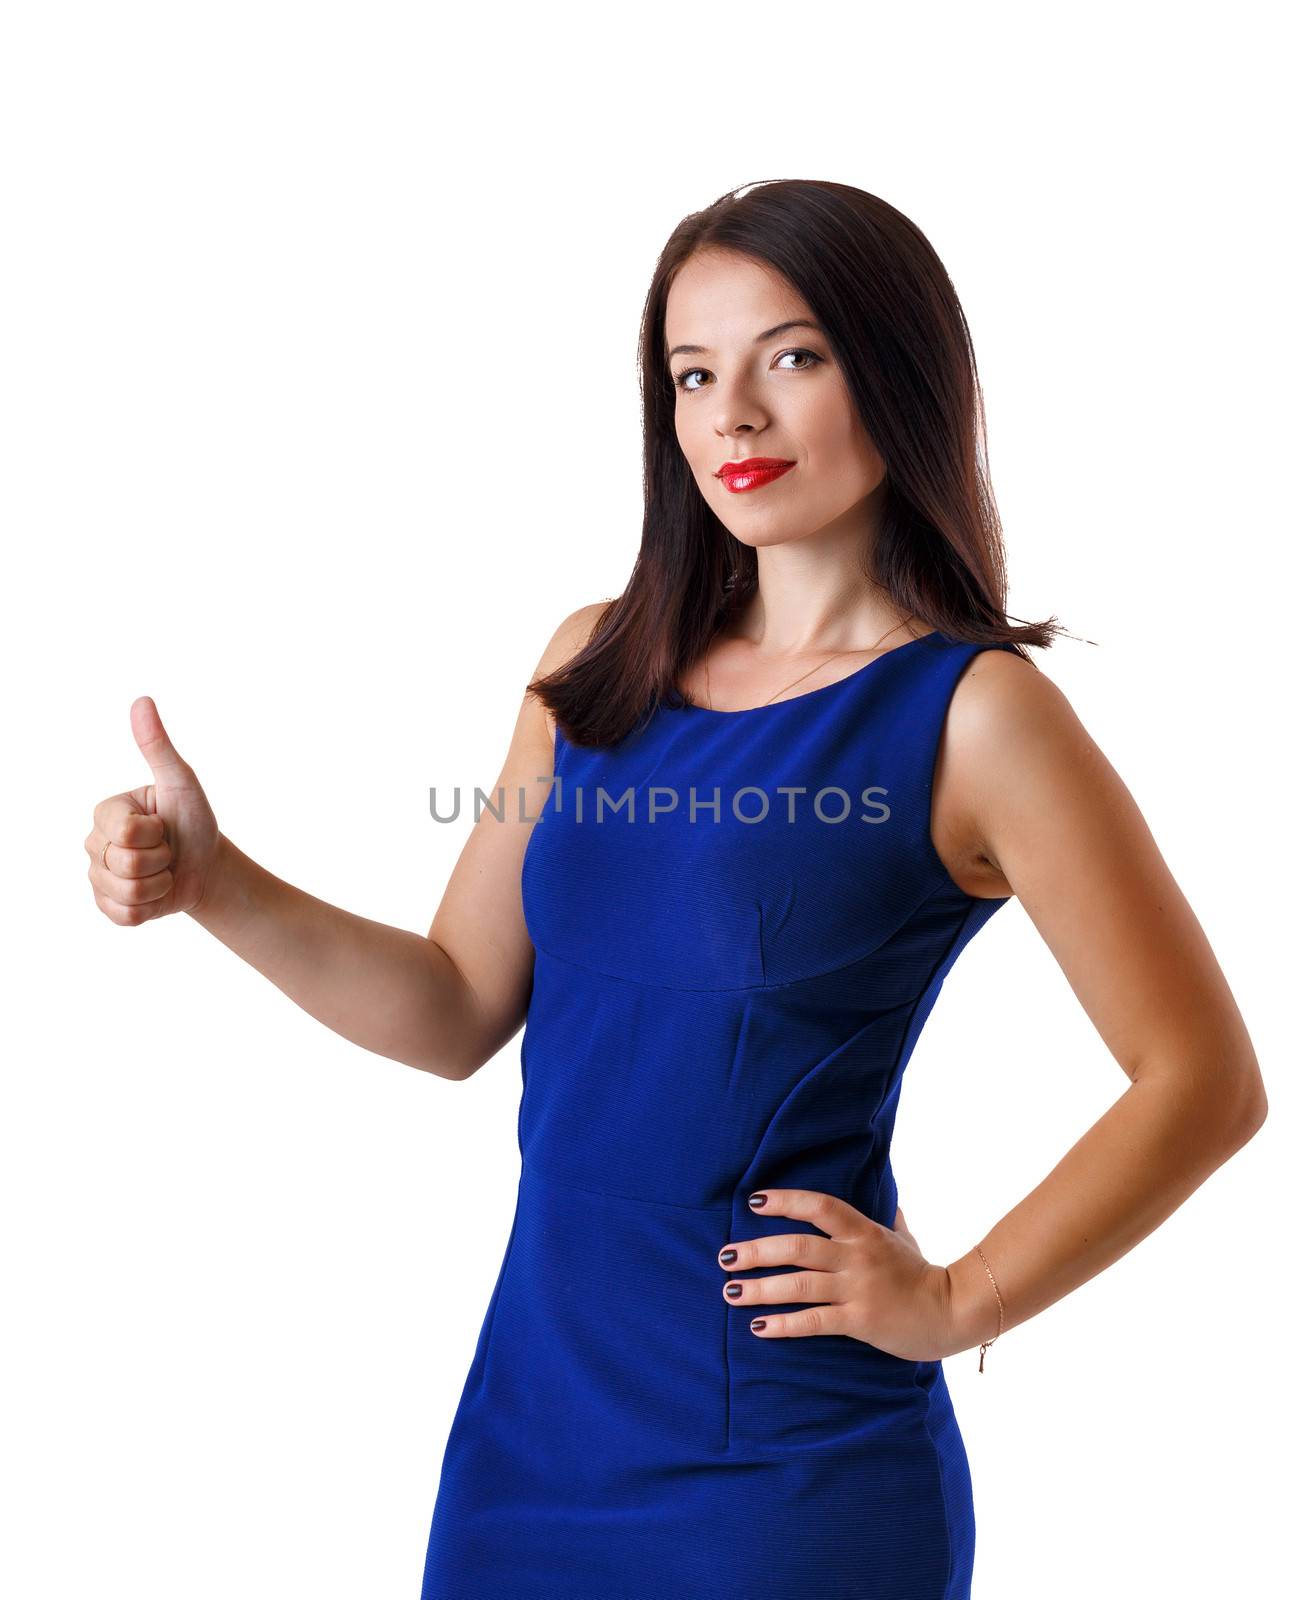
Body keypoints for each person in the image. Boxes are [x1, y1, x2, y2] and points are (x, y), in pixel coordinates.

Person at [84, 179, 1267, 1600]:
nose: (734, 418)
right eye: (693, 375)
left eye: (794, 357)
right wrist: (219, 884)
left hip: (785, 1484)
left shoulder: (975, 717)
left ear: (899, 372)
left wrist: (960, 1299)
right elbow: (458, 1005)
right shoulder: (594, 670)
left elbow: (1201, 1078)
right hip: (528, 1438)